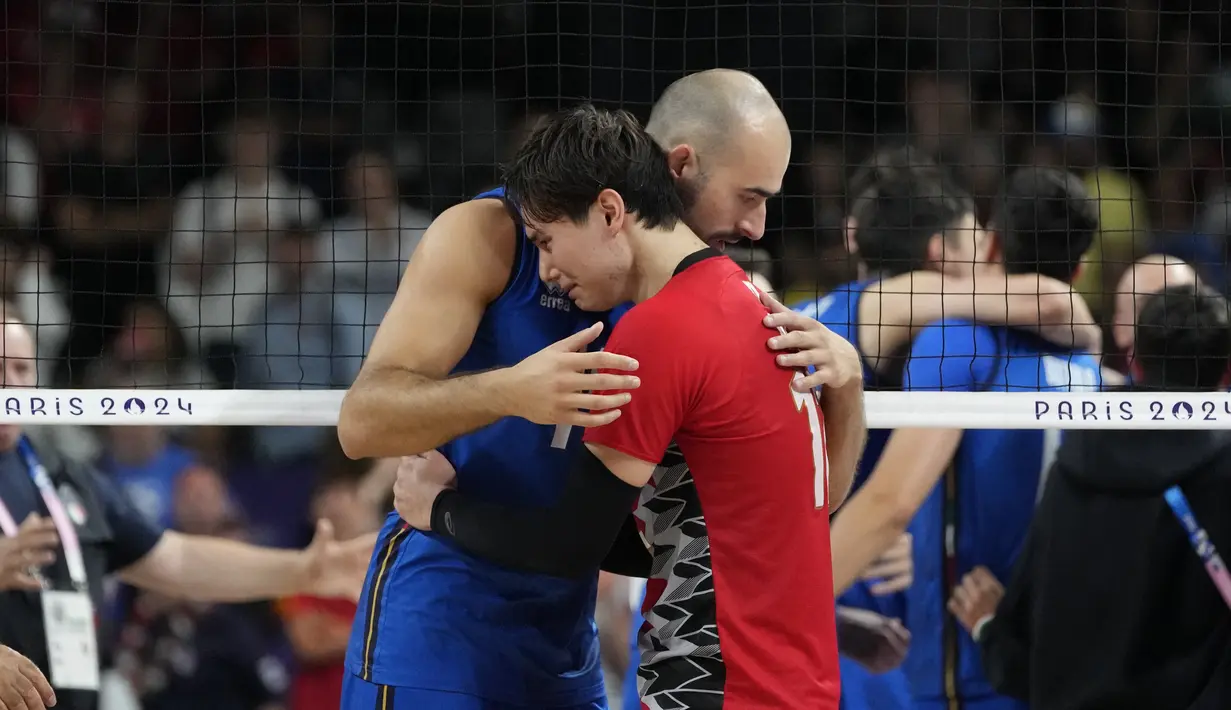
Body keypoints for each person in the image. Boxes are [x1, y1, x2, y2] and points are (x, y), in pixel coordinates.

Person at [336, 69, 860, 710]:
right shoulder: (493, 234)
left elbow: (762, 520)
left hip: (568, 623)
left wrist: (849, 379)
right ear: (680, 167)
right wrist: (510, 392)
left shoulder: (707, 306)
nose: (756, 226)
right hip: (443, 623)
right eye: (748, 195)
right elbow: (360, 423)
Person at [802, 152, 1101, 710]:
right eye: (973, 240)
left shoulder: (822, 313)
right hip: (828, 614)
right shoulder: (904, 308)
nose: (982, 257)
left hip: (826, 603)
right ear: (942, 254)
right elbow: (1049, 299)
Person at [0, 311, 374, 710]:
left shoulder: (64, 477)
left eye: (22, 369)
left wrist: (304, 570)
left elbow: (175, 559)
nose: (10, 385)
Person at [953, 284, 1231, 710]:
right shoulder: (1220, 475)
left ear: (1133, 359)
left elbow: (1024, 662)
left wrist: (989, 628)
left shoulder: (1072, 465)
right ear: (1227, 372)